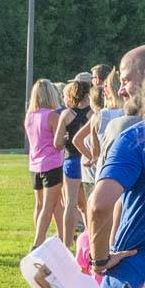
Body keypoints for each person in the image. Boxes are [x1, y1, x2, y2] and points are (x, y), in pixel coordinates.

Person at [90, 47, 145, 288]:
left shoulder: (136, 139)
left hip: (133, 279)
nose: (120, 90)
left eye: (125, 80)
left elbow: (99, 205)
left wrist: (100, 259)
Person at [23, 79, 65, 248]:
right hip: (52, 164)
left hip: (35, 165)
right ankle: (38, 243)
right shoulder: (53, 116)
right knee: (50, 206)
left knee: (41, 205)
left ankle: (61, 238)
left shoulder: (30, 116)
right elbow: (58, 141)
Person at [54, 73, 94, 249]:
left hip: (70, 160)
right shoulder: (94, 113)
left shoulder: (66, 114)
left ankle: (66, 242)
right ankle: (90, 238)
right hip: (87, 160)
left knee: (71, 203)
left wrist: (66, 138)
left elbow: (57, 143)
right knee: (87, 205)